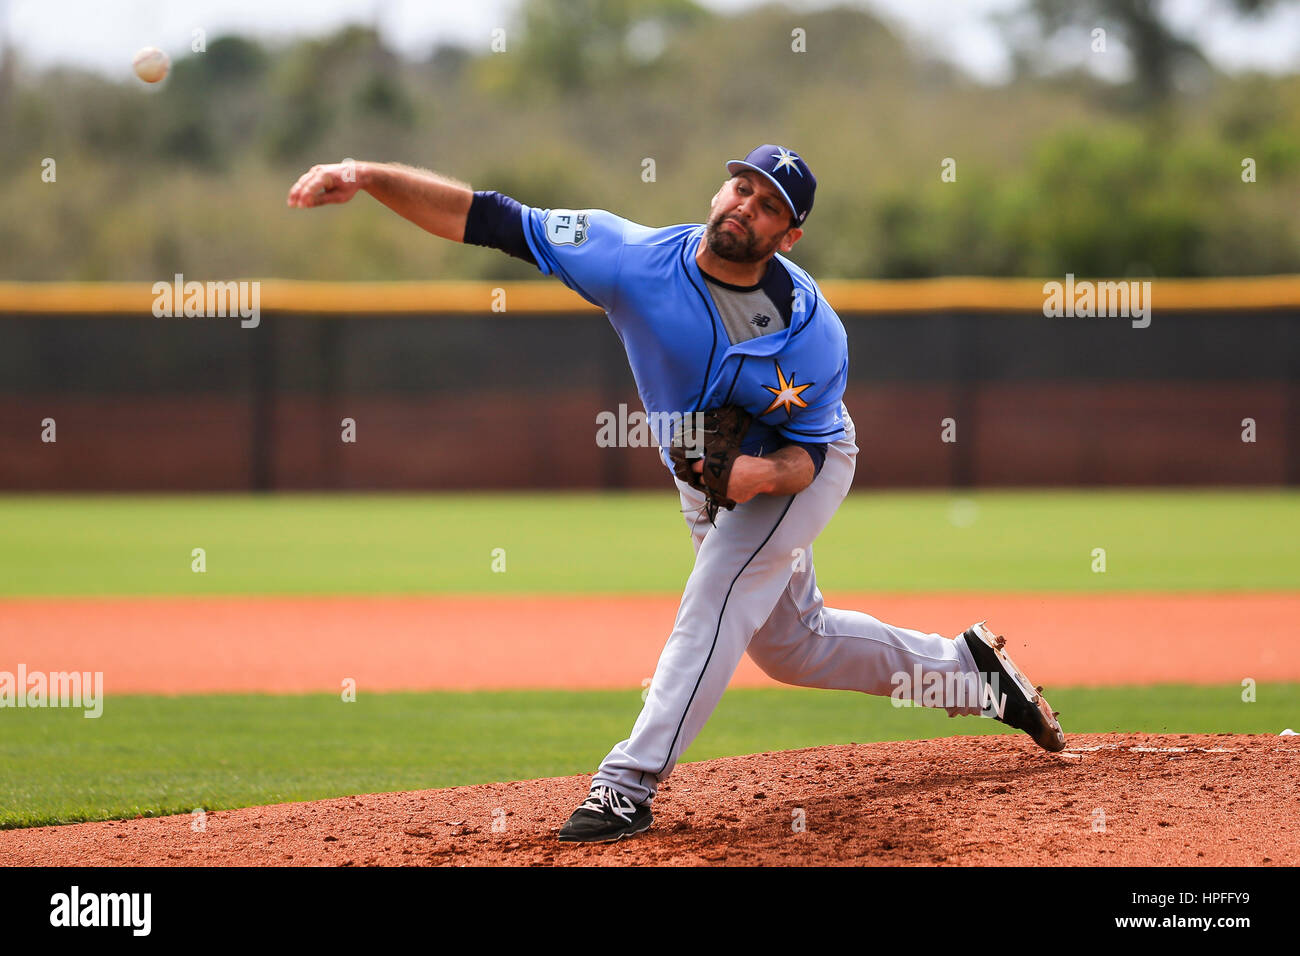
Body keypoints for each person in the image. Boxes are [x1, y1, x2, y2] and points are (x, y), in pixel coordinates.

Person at [287, 145, 1066, 845]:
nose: (744, 206)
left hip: (798, 468)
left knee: (716, 595)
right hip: (711, 480)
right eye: (741, 186)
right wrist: (364, 175)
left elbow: (809, 458)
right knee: (793, 645)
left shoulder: (813, 332)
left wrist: (753, 478)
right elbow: (487, 218)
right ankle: (968, 675)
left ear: (788, 237)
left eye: (768, 205)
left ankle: (627, 785)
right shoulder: (627, 258)